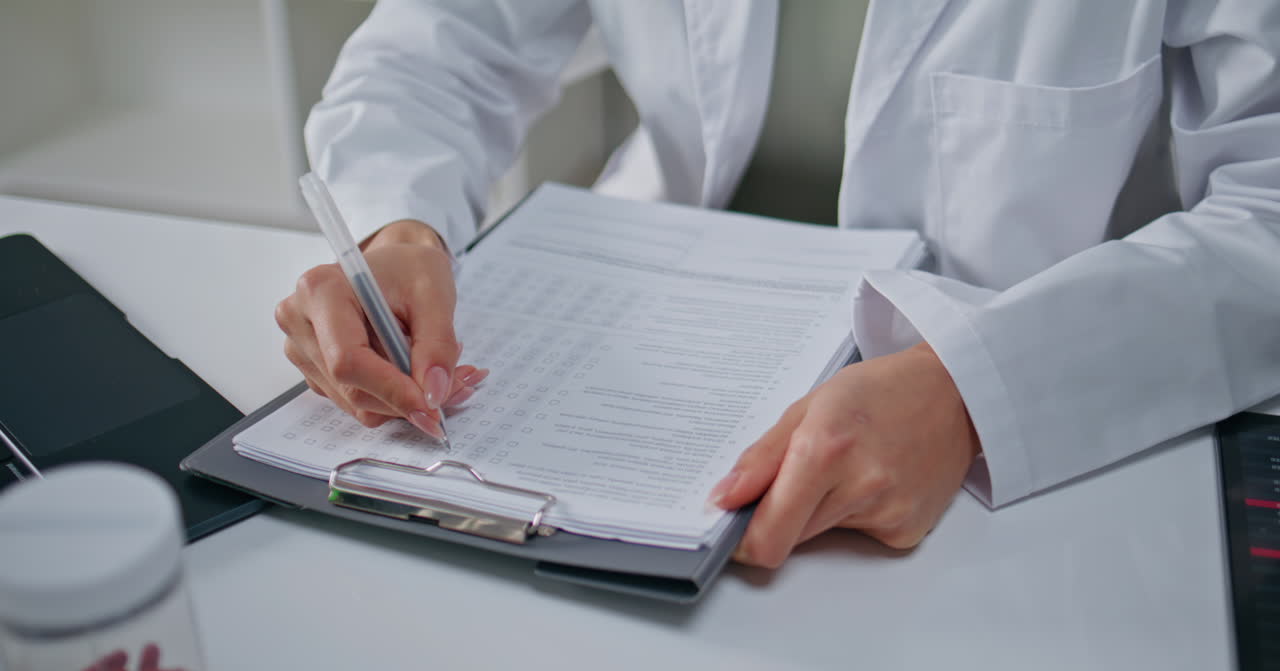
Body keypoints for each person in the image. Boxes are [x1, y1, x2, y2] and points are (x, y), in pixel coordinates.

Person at [274, 1, 1280, 568]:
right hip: (641, 370)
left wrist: (975, 391)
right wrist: (393, 227)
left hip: (1032, 420)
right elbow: (444, 43)